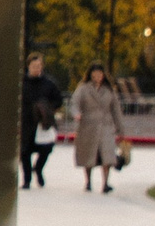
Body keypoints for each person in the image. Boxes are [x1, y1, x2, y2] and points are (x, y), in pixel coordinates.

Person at [71, 61, 125, 193]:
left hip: (106, 126)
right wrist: (76, 114)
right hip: (88, 127)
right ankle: (88, 181)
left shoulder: (109, 90)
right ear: (90, 75)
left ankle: (105, 183)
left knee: (107, 155)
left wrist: (120, 128)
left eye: (99, 74)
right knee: (89, 156)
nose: (97, 77)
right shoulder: (83, 89)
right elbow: (74, 103)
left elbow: (116, 110)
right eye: (94, 75)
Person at [20, 53, 64, 189]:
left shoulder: (49, 83)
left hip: (43, 123)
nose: (37, 69)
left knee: (46, 148)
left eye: (39, 66)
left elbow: (59, 100)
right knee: (25, 152)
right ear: (28, 67)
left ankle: (38, 168)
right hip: (26, 122)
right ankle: (27, 179)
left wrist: (48, 108)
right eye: (34, 66)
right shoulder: (22, 83)